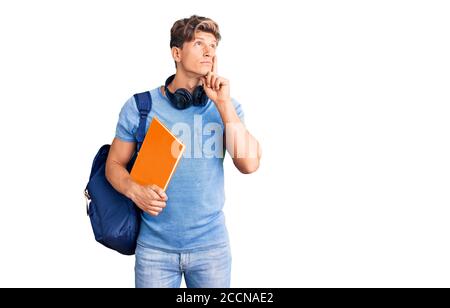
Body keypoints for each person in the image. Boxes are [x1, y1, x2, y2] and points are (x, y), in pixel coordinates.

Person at [105, 15, 261, 288]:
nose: (209, 51)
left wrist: (223, 105)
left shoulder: (227, 107)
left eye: (213, 45)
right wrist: (133, 189)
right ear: (176, 53)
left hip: (212, 249)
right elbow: (114, 165)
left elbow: (249, 164)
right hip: (155, 250)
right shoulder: (140, 106)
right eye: (199, 43)